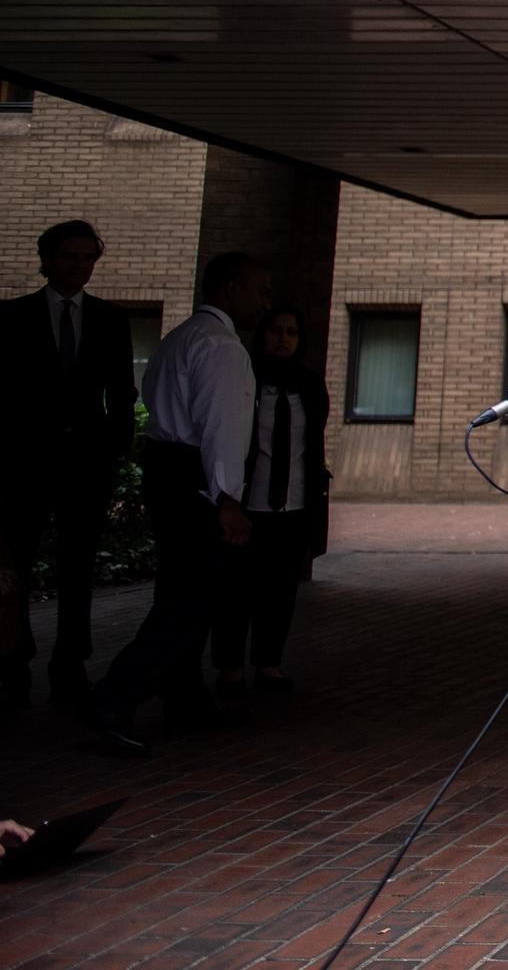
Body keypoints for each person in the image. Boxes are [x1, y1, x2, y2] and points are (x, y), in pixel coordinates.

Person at [83, 251, 273, 756]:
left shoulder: (177, 338)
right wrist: (227, 499)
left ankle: (185, 698)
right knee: (189, 602)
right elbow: (222, 429)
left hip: (164, 471)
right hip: (195, 479)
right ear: (232, 290)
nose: (265, 302)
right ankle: (113, 699)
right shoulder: (222, 347)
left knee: (179, 587)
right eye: (260, 290)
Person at [1, 219, 139, 713]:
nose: (79, 266)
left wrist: (115, 449)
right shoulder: (11, 317)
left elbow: (123, 392)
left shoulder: (110, 319)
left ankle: (69, 664)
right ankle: (12, 661)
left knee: (77, 567)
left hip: (86, 464)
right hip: (23, 465)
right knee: (16, 566)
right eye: (69, 256)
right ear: (47, 259)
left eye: (87, 258)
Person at [213, 306, 329, 699]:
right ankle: (229, 669)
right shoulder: (246, 383)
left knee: (280, 592)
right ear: (261, 335)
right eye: (275, 331)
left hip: (293, 507)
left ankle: (269, 664)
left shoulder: (310, 388)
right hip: (249, 505)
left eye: (291, 332)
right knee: (236, 591)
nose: (283, 338)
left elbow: (313, 446)